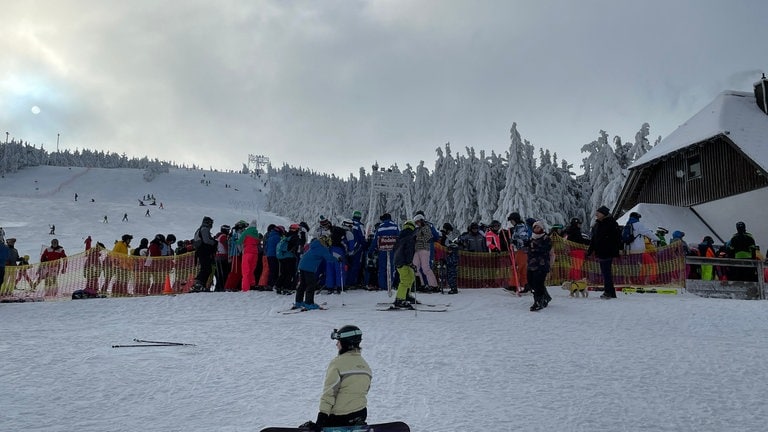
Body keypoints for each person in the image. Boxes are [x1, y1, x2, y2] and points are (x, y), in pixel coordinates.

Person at [300, 325, 372, 432]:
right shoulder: (365, 366)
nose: (337, 344)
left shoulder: (337, 363)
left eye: (339, 341)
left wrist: (321, 419)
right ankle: (357, 424)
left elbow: (330, 393)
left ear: (345, 343)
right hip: (360, 413)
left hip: (339, 418)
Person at [586, 206, 621, 299]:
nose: (596, 214)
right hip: (600, 251)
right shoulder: (597, 225)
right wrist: (589, 251)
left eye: (598, 213)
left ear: (604, 214)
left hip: (607, 251)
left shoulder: (611, 223)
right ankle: (610, 292)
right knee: (605, 272)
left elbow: (616, 238)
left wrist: (614, 249)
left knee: (606, 272)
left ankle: (608, 291)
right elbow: (594, 239)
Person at [295, 236, 336, 309]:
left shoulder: (314, 245)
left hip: (302, 265)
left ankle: (298, 301)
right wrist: (337, 259)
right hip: (309, 268)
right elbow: (329, 258)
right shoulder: (323, 248)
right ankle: (309, 303)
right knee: (311, 285)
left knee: (303, 284)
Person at [368, 213, 399, 291]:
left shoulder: (380, 227)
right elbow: (399, 238)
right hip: (392, 250)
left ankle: (382, 285)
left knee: (382, 268)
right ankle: (390, 284)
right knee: (392, 267)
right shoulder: (395, 227)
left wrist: (370, 251)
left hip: (382, 250)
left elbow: (375, 241)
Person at [528, 221, 555, 311]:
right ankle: (545, 297)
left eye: (538, 227)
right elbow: (526, 248)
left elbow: (546, 249)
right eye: (535, 228)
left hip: (542, 264)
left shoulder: (546, 238)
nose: (536, 229)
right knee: (531, 282)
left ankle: (538, 301)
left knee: (538, 283)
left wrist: (534, 247)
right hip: (531, 264)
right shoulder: (531, 238)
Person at [392, 220, 417, 309]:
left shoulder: (400, 236)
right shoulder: (410, 237)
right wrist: (410, 262)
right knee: (405, 279)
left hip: (399, 261)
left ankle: (406, 294)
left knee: (411, 277)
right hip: (403, 261)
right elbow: (409, 251)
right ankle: (399, 299)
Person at [412, 214, 439, 292]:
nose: (417, 224)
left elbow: (428, 237)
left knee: (425, 268)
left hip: (424, 249)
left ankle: (433, 285)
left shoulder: (426, 227)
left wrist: (417, 238)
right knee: (415, 267)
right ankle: (421, 284)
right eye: (416, 223)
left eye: (418, 222)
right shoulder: (418, 229)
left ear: (421, 221)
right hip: (417, 249)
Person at [192, 216, 216, 292]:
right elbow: (206, 240)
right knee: (206, 268)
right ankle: (198, 284)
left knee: (206, 268)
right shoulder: (204, 229)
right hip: (204, 251)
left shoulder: (200, 229)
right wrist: (214, 242)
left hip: (201, 251)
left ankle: (201, 284)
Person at [508, 212, 529, 291]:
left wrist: (514, 241)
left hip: (521, 250)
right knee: (523, 269)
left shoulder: (520, 227)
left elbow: (524, 238)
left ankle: (513, 286)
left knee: (516, 268)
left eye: (512, 220)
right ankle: (526, 285)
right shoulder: (519, 226)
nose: (511, 222)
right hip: (522, 251)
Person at [237, 219, 261, 291]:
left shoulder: (246, 232)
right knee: (251, 270)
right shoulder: (256, 233)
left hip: (247, 252)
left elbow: (239, 241)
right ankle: (252, 285)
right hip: (255, 252)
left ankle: (245, 288)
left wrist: (236, 241)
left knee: (245, 270)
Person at [214, 225, 231, 292]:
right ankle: (222, 287)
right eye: (228, 230)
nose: (229, 231)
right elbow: (226, 246)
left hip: (217, 256)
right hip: (222, 256)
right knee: (224, 273)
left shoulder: (218, 236)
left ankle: (218, 287)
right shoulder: (223, 236)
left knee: (219, 274)